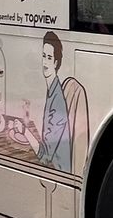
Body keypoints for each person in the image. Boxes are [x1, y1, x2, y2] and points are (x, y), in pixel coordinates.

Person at [23, 31, 78, 172]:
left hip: (57, 172)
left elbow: (45, 157)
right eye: (43, 56)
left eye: (49, 57)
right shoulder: (52, 91)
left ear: (56, 62)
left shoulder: (57, 100)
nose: (45, 62)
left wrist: (24, 131)